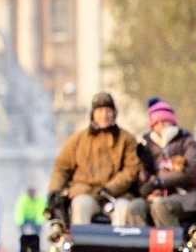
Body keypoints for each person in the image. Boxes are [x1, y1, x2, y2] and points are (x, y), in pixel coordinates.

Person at [48, 91, 142, 226]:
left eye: (108, 111)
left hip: (116, 195)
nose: (104, 115)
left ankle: (119, 246)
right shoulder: (79, 139)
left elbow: (131, 170)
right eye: (100, 111)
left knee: (123, 209)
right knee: (80, 206)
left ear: (114, 113)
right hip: (86, 192)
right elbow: (61, 167)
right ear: (93, 114)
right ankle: (80, 246)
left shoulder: (126, 139)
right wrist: (54, 191)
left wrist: (109, 189)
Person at [138, 99, 196, 227]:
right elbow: (143, 176)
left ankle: (173, 244)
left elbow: (189, 170)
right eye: (156, 123)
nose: (161, 125)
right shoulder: (147, 147)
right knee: (135, 208)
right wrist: (149, 185)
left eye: (164, 121)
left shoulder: (187, 142)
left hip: (185, 196)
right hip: (156, 196)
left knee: (160, 205)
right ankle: (142, 245)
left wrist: (158, 183)